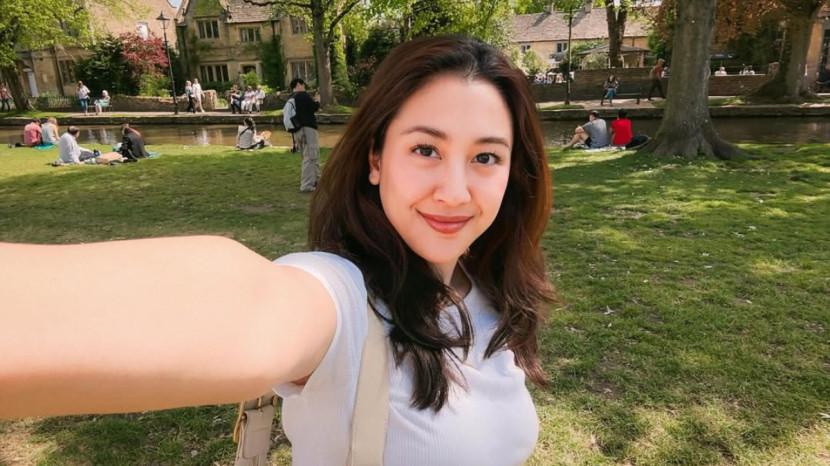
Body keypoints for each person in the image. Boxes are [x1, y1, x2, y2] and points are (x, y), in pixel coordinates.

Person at [0, 36, 553, 466]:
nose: (455, 192)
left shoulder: (491, 291)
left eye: (486, 158)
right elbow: (250, 308)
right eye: (426, 149)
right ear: (376, 159)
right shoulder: (341, 302)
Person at [289, 78, 321, 192]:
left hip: (297, 130)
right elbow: (314, 107)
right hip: (308, 129)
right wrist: (317, 100)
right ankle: (307, 185)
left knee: (307, 156)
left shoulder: (292, 98)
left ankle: (316, 179)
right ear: (298, 84)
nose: (304, 87)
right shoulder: (303, 95)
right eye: (303, 84)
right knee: (311, 156)